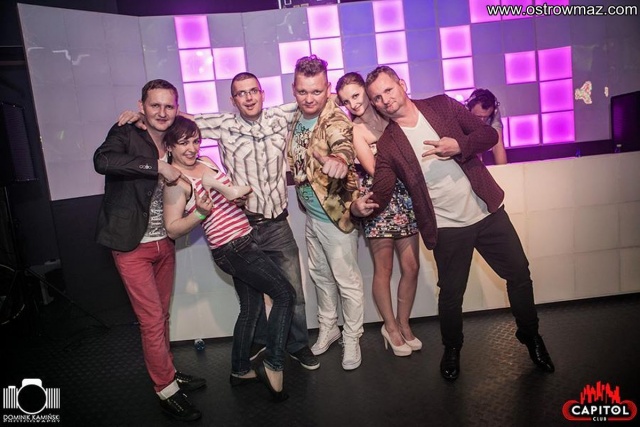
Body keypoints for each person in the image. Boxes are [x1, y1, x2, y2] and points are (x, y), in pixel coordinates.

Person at [350, 66, 555, 381]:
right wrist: (357, 208)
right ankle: (452, 348)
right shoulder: (389, 143)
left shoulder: (442, 106)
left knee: (519, 275)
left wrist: (460, 146)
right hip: (446, 227)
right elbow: (382, 190)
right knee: (450, 295)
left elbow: (488, 135)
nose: (385, 100)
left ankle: (531, 336)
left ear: (402, 84)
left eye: (388, 90)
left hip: (487, 213)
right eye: (377, 98)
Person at [118, 72, 319, 371]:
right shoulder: (220, 128)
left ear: (262, 93)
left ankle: (294, 347)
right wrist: (141, 118)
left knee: (289, 294)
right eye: (241, 93)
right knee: (258, 301)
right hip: (240, 233)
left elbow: (314, 100)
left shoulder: (279, 117)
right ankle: (262, 349)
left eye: (253, 91)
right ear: (232, 99)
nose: (248, 97)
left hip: (276, 223)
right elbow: (176, 121)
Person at [93, 79, 205, 422]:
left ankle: (167, 372)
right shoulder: (126, 132)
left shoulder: (172, 137)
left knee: (162, 317)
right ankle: (166, 390)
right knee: (152, 320)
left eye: (169, 106)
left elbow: (192, 131)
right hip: (131, 246)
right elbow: (102, 160)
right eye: (154, 105)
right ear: (141, 106)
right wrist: (157, 166)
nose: (162, 112)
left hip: (164, 243)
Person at [163, 116, 295, 402]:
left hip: (244, 238)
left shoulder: (206, 162)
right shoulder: (176, 181)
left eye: (195, 141)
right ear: (170, 146)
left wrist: (237, 200)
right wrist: (200, 213)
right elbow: (172, 229)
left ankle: (240, 370)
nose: (191, 148)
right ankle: (273, 364)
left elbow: (228, 200)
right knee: (285, 294)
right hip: (232, 248)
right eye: (183, 143)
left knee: (251, 308)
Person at [287, 55, 365, 370]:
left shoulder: (335, 119)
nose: (310, 99)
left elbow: (342, 144)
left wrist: (340, 161)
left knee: (347, 282)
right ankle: (329, 328)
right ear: (294, 89)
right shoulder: (295, 115)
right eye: (303, 91)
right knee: (320, 276)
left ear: (328, 88)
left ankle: (352, 338)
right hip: (312, 216)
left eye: (317, 91)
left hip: (336, 218)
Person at [336, 72, 420, 357]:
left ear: (367, 92)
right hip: (378, 200)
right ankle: (391, 327)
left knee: (411, 267)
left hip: (406, 197)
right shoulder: (356, 130)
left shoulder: (392, 114)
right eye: (346, 101)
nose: (353, 104)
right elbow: (375, 170)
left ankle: (404, 324)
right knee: (384, 270)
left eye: (356, 96)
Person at [466, 88, 508, 165]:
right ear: (469, 109)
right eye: (478, 116)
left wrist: (504, 170)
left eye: (486, 117)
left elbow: (498, 143)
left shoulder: (494, 113)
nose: (482, 120)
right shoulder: (461, 113)